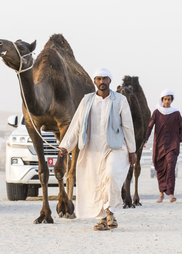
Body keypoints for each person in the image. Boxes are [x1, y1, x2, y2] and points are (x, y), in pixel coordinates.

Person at [58, 67, 136, 231]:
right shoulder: (87, 100)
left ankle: (110, 212)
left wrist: (132, 150)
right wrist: (65, 146)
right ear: (94, 81)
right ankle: (102, 218)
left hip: (115, 147)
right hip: (92, 148)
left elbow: (128, 127)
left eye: (105, 79)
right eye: (99, 79)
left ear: (110, 81)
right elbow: (76, 126)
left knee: (111, 174)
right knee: (95, 183)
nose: (102, 82)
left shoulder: (120, 100)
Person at [145, 89, 182, 203]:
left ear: (172, 100)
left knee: (171, 168)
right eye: (165, 99)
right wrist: (145, 139)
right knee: (160, 169)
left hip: (172, 145)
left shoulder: (176, 113)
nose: (167, 101)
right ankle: (161, 194)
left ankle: (171, 194)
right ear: (162, 100)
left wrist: (178, 139)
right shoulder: (157, 112)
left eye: (169, 99)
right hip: (159, 146)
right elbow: (150, 126)